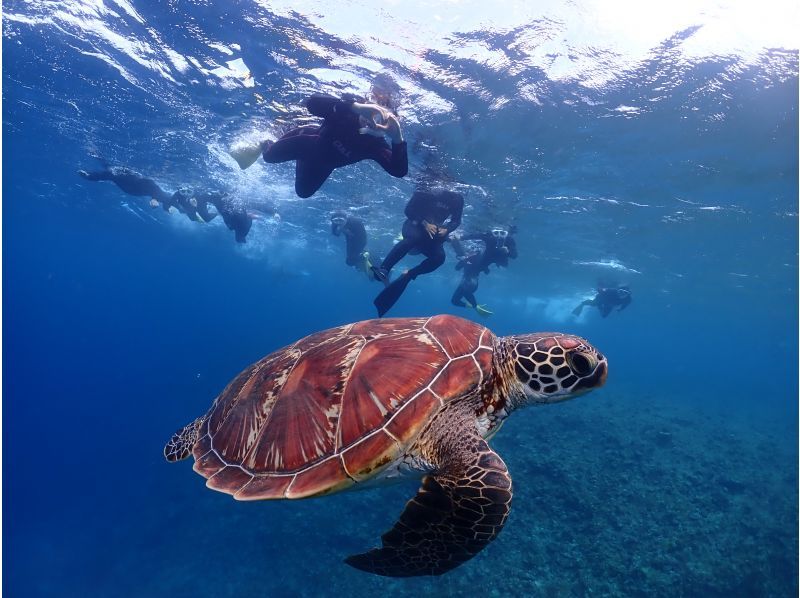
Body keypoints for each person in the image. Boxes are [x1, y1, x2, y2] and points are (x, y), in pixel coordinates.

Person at [230, 93, 407, 198]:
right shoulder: (349, 111)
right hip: (304, 140)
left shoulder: (375, 144)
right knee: (268, 157)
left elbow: (398, 171)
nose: (373, 121)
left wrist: (397, 139)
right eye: (375, 112)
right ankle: (265, 142)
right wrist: (356, 107)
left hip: (323, 164)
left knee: (303, 193)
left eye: (382, 119)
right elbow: (312, 103)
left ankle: (288, 152)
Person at [372, 187, 464, 317]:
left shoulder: (457, 198)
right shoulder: (428, 188)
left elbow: (456, 220)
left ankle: (410, 274)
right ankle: (384, 269)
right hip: (414, 226)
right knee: (413, 239)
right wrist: (425, 223)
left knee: (439, 258)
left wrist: (447, 229)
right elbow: (408, 210)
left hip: (433, 233)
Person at [449, 226, 518, 316]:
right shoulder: (488, 237)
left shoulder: (508, 240)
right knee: (454, 301)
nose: (499, 235)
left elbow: (514, 255)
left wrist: (507, 252)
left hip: (472, 282)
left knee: (465, 291)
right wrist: (461, 238)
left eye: (502, 233)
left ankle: (475, 306)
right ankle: (473, 306)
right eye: (496, 232)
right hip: (469, 280)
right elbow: (476, 236)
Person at [79, 166, 170, 203]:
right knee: (111, 174)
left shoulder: (151, 185)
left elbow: (156, 196)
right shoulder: (118, 174)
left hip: (133, 189)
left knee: (111, 174)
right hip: (132, 188)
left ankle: (89, 176)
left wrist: (155, 201)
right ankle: (89, 176)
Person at [330, 211, 373, 276]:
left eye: (341, 220)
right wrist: (341, 229)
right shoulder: (334, 223)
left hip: (359, 239)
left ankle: (365, 255)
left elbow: (363, 238)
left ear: (346, 219)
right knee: (349, 262)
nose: (338, 223)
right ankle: (360, 260)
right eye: (336, 221)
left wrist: (349, 233)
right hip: (349, 239)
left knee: (351, 260)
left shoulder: (356, 222)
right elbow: (336, 234)